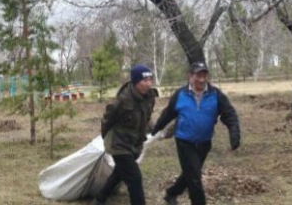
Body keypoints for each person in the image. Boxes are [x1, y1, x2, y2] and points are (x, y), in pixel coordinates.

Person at [151, 62, 241, 205]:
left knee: (190, 173)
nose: (201, 79)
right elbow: (168, 114)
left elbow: (229, 114)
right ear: (190, 76)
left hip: (204, 143)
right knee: (194, 178)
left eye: (204, 75)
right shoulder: (180, 94)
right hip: (184, 141)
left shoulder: (215, 94)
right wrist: (155, 129)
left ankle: (171, 193)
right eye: (198, 75)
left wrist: (234, 134)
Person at [93, 64, 158, 205]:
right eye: (144, 80)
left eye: (150, 80)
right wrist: (108, 139)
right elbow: (107, 121)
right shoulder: (122, 100)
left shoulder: (150, 98)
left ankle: (99, 199)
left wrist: (155, 128)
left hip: (134, 144)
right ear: (135, 82)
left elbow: (146, 119)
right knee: (135, 178)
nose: (148, 84)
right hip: (118, 144)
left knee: (119, 174)